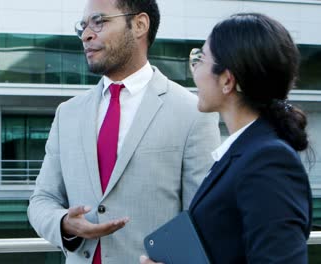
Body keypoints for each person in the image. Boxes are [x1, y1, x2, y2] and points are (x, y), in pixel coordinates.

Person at [27, 0, 220, 263]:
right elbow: (42, 200)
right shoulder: (67, 113)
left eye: (99, 22)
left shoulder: (192, 112)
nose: (86, 35)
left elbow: (203, 218)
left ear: (139, 25)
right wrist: (64, 224)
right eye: (83, 26)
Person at [140, 13, 313, 264]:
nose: (194, 71)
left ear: (227, 80)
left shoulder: (268, 162)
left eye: (200, 59)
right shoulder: (246, 153)